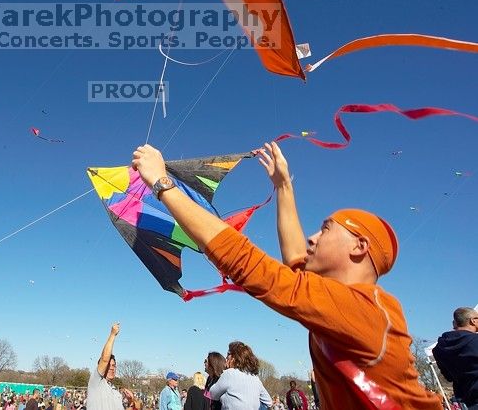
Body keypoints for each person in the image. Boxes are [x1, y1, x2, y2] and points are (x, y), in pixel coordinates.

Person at [131, 143, 442, 410]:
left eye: (327, 229)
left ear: (359, 246)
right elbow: (295, 265)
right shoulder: (340, 304)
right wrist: (283, 187)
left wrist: (162, 183)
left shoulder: (363, 308)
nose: (313, 237)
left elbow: (253, 267)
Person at [432, 307, 478, 409]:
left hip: (465, 401)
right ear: (473, 321)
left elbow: (448, 377)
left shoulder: (438, 349)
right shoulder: (475, 341)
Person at [206, 341, 271, 410]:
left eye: (228, 354)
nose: (226, 357)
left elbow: (212, 394)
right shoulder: (255, 378)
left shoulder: (229, 373)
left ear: (235, 358)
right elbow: (268, 402)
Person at [86, 323, 134, 410]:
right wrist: (112, 335)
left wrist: (130, 403)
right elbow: (104, 359)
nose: (112, 368)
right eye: (109, 365)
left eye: (114, 365)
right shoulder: (96, 382)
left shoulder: (116, 393)